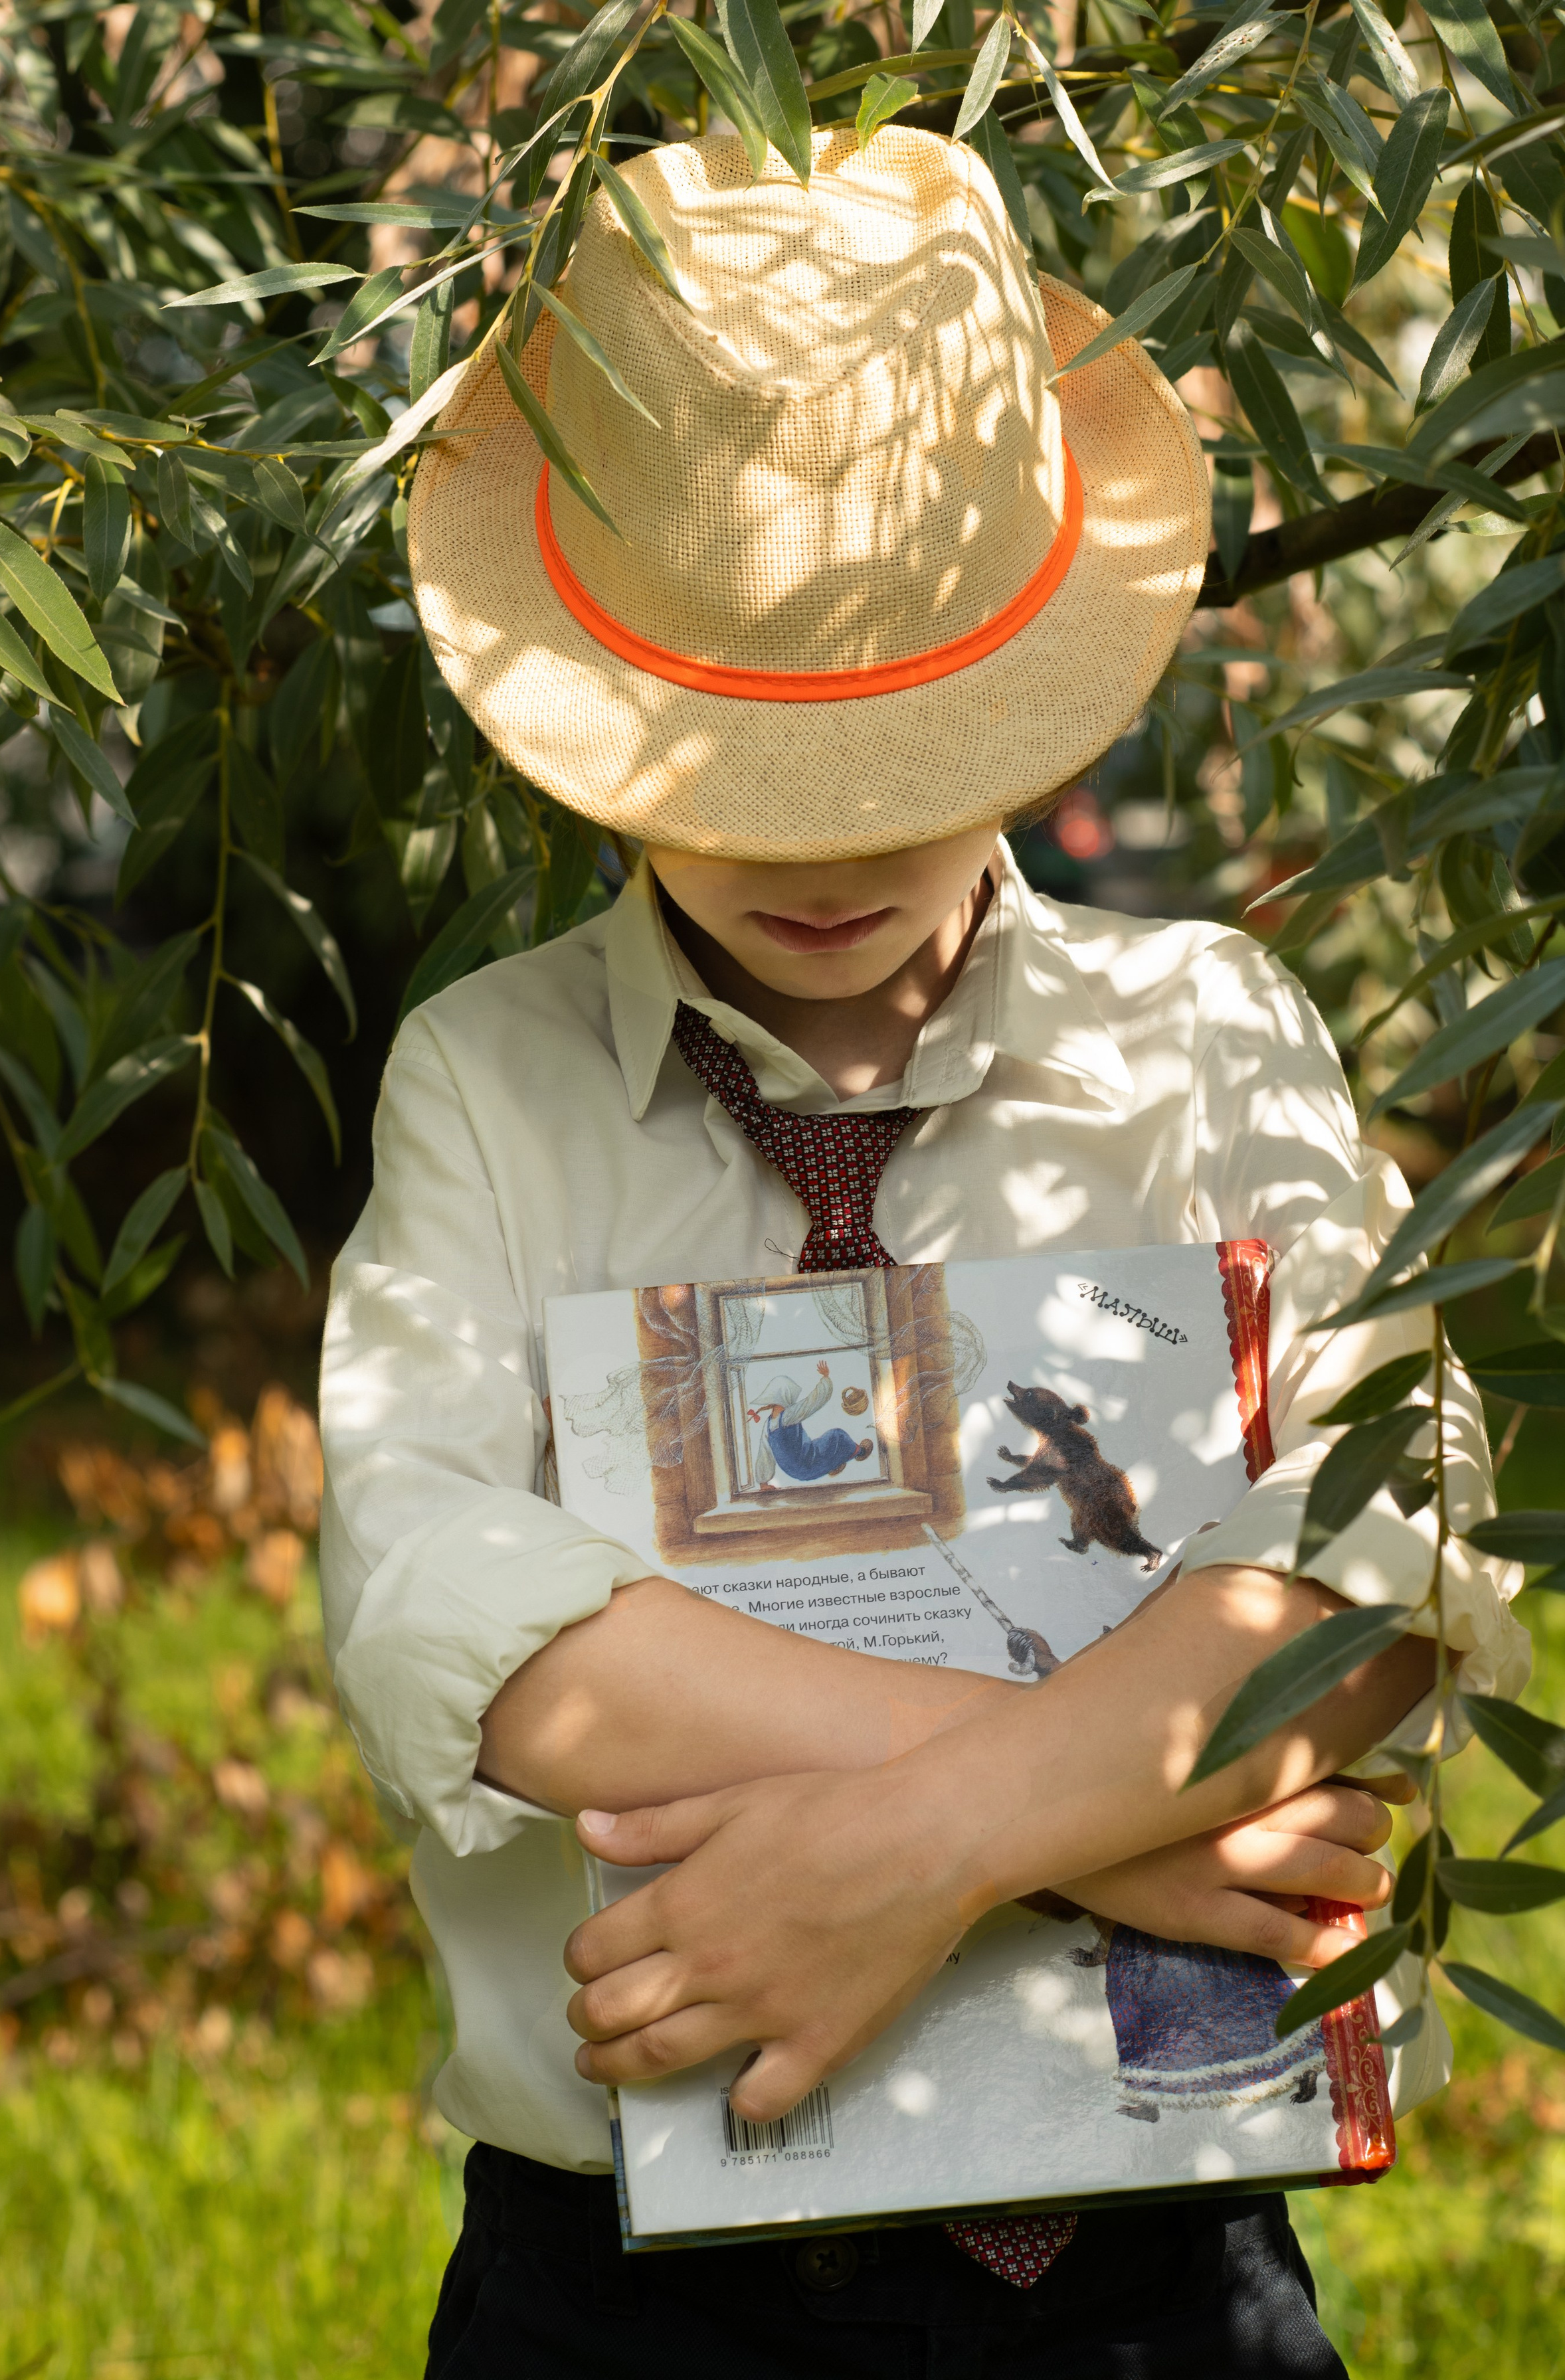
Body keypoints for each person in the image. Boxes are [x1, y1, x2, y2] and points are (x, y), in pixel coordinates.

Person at [319, 127, 1529, 2378]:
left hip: (1160, 2275)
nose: (838, 842)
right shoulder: (491, 1081)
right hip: (634, 2296)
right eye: (749, 760)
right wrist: (1112, 1820)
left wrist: (917, 1844)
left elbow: (1392, 1560)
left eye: (908, 749)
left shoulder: (1207, 1040)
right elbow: (454, 1619)